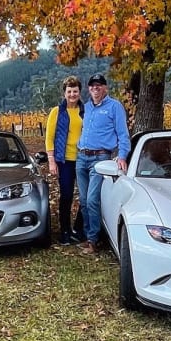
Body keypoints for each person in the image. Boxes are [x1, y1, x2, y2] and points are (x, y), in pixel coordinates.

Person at [75, 73, 131, 254]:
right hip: (82, 157)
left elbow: (123, 134)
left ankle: (94, 240)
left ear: (105, 88)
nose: (95, 88)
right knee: (83, 200)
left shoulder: (115, 107)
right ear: (89, 88)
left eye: (99, 85)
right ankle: (87, 235)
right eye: (92, 86)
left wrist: (122, 155)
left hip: (100, 159)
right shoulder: (87, 107)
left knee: (92, 199)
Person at [45, 75, 85, 245]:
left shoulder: (86, 110)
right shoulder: (57, 112)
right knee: (66, 195)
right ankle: (65, 231)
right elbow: (49, 138)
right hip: (65, 160)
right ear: (64, 93)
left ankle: (79, 228)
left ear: (79, 92)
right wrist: (51, 161)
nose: (72, 94)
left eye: (75, 91)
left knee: (86, 197)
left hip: (83, 159)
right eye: (69, 91)